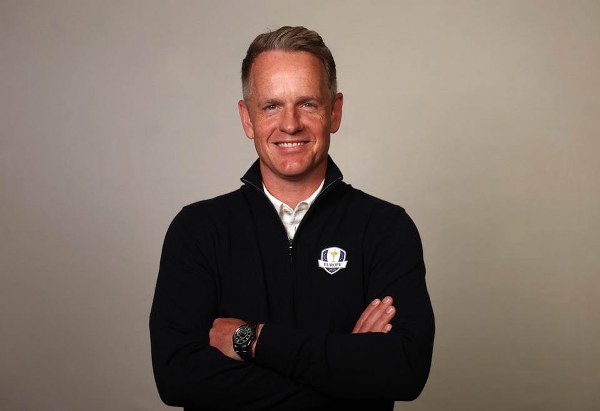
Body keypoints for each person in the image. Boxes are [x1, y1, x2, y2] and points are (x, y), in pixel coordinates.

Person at [150, 26, 434, 411]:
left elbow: (404, 370)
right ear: (247, 118)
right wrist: (346, 372)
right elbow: (178, 378)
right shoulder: (197, 230)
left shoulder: (386, 229)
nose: (290, 124)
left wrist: (254, 340)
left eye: (308, 104)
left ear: (334, 112)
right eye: (271, 106)